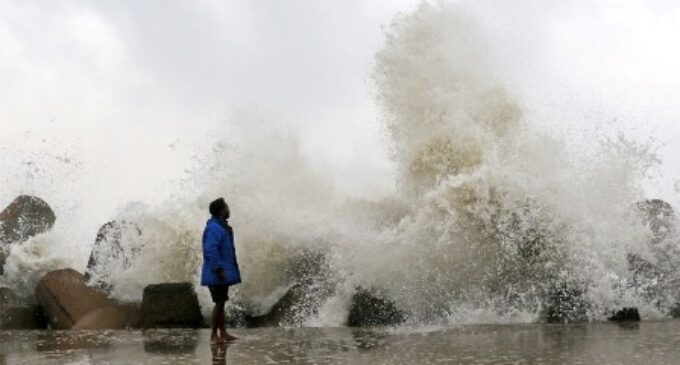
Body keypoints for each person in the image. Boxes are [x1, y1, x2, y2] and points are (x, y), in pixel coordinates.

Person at [201, 198, 241, 343]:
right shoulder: (214, 228)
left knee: (222, 302)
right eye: (227, 207)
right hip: (216, 272)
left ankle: (223, 333)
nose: (229, 209)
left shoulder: (221, 227)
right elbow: (211, 249)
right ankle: (213, 335)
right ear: (221, 210)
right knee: (219, 303)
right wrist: (218, 269)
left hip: (220, 272)